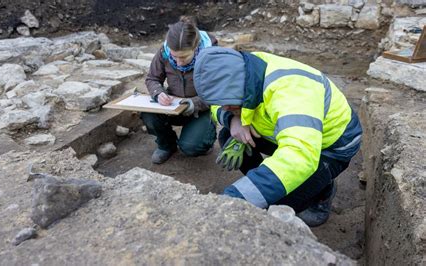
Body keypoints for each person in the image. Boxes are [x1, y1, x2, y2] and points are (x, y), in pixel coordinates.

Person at [193, 47, 362, 227]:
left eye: (228, 104)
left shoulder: (291, 91)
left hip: (329, 147)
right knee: (228, 135)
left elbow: (299, 155)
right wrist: (232, 119)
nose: (224, 107)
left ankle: (322, 189)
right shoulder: (243, 69)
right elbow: (217, 104)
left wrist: (237, 197)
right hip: (284, 132)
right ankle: (272, 176)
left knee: (277, 204)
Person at [141, 17, 217, 164]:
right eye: (174, 57)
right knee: (148, 114)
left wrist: (194, 103)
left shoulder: (211, 55)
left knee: (191, 148)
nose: (178, 62)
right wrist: (158, 93)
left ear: (196, 47)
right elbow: (152, 78)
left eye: (184, 57)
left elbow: (217, 91)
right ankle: (166, 145)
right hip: (173, 106)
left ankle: (204, 140)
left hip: (200, 109)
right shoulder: (165, 51)